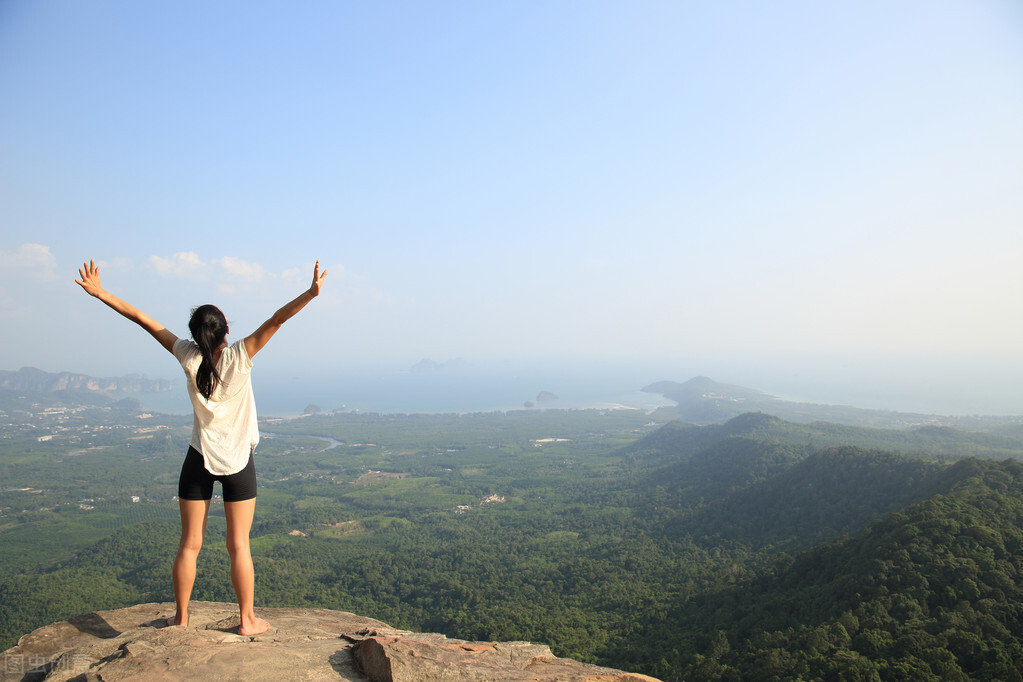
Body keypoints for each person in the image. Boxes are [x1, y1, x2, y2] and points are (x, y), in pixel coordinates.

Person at [75, 258, 328, 635]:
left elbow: (144, 320)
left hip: (198, 459)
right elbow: (277, 319)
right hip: (239, 462)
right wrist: (310, 293)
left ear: (196, 335)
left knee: (189, 545)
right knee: (239, 545)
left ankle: (180, 617)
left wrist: (100, 293)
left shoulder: (187, 355)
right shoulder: (241, 356)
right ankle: (247, 621)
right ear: (227, 330)